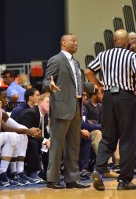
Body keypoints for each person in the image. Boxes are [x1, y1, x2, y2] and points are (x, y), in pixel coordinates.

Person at [85, 29, 136, 191]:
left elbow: (88, 71)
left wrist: (99, 85)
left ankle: (98, 170)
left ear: (113, 40)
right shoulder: (132, 55)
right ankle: (124, 181)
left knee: (108, 137)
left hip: (108, 98)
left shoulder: (103, 55)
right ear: (127, 41)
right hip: (125, 97)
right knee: (127, 138)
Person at [43, 33, 90, 189]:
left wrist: (98, 86)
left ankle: (72, 179)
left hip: (76, 107)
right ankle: (52, 179)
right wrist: (50, 86)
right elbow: (45, 81)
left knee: (73, 145)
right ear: (63, 43)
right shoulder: (56, 60)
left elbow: (80, 84)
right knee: (57, 145)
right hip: (61, 108)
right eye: (73, 41)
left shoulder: (75, 62)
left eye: (77, 40)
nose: (76, 43)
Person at [17, 93, 50, 182]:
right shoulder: (30, 113)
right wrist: (45, 140)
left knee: (52, 144)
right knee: (33, 142)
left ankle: (48, 173)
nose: (50, 104)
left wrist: (48, 140)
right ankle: (33, 173)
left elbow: (44, 134)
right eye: (47, 102)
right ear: (39, 102)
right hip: (21, 139)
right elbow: (28, 132)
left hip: (35, 138)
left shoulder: (45, 115)